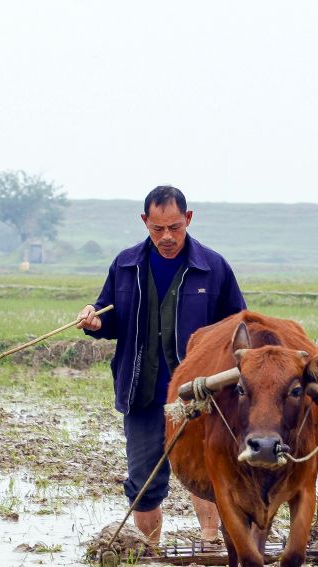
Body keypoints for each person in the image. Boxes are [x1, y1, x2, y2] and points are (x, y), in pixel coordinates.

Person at [77, 185, 246, 546]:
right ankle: (148, 549)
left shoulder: (213, 268)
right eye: (157, 229)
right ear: (144, 222)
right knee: (143, 482)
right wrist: (94, 320)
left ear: (188, 219)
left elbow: (238, 328)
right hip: (142, 391)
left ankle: (211, 541)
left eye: (174, 227)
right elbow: (108, 315)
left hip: (200, 394)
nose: (166, 237)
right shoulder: (125, 265)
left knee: (206, 471)